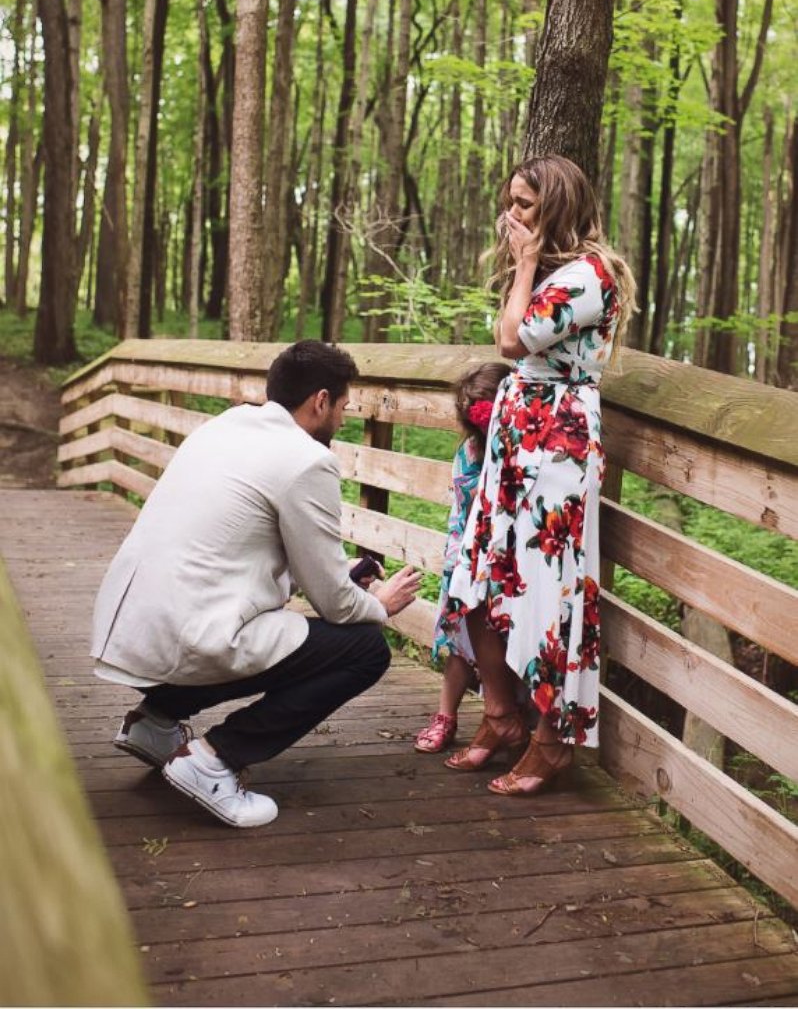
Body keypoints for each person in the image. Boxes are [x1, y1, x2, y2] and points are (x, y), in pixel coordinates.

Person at [91, 340, 422, 828]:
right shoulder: (307, 460)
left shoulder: (225, 426)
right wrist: (380, 605)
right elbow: (335, 604)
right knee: (364, 648)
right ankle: (214, 760)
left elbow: (247, 546)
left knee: (291, 633)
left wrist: (341, 575)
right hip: (192, 632)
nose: (345, 420)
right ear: (321, 401)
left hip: (135, 622)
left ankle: (155, 722)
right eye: (345, 407)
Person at [442, 154, 635, 795]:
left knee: (545, 595)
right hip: (516, 441)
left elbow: (510, 340)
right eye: (510, 202)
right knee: (482, 579)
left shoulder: (588, 275)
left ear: (556, 205)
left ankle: (551, 742)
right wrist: (527, 266)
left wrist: (524, 264)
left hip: (556, 448)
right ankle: (500, 716)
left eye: (524, 204)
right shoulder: (557, 272)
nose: (511, 216)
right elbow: (514, 336)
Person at [413, 361, 511, 753]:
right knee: (460, 638)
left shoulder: (520, 450)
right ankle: (445, 715)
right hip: (466, 552)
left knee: (500, 638)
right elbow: (464, 505)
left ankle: (504, 715)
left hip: (504, 559)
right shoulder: (469, 451)